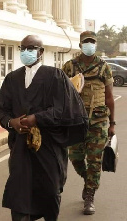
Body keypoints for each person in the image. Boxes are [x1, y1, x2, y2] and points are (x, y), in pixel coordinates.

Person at [0, 35, 88, 221]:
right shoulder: (12, 78)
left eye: (31, 48)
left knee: (49, 191)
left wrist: (36, 118)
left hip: (49, 145)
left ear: (41, 51)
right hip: (21, 146)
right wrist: (11, 122)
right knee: (19, 191)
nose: (26, 52)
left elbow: (64, 109)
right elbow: (1, 108)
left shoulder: (55, 76)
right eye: (23, 48)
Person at [62, 31, 115, 215]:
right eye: (86, 42)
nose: (89, 45)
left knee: (94, 161)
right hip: (76, 122)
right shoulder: (69, 67)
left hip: (98, 122)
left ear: (96, 44)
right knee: (75, 158)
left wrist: (112, 124)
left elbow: (109, 97)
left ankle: (90, 195)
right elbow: (61, 94)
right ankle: (88, 180)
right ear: (80, 45)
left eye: (92, 42)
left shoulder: (104, 67)